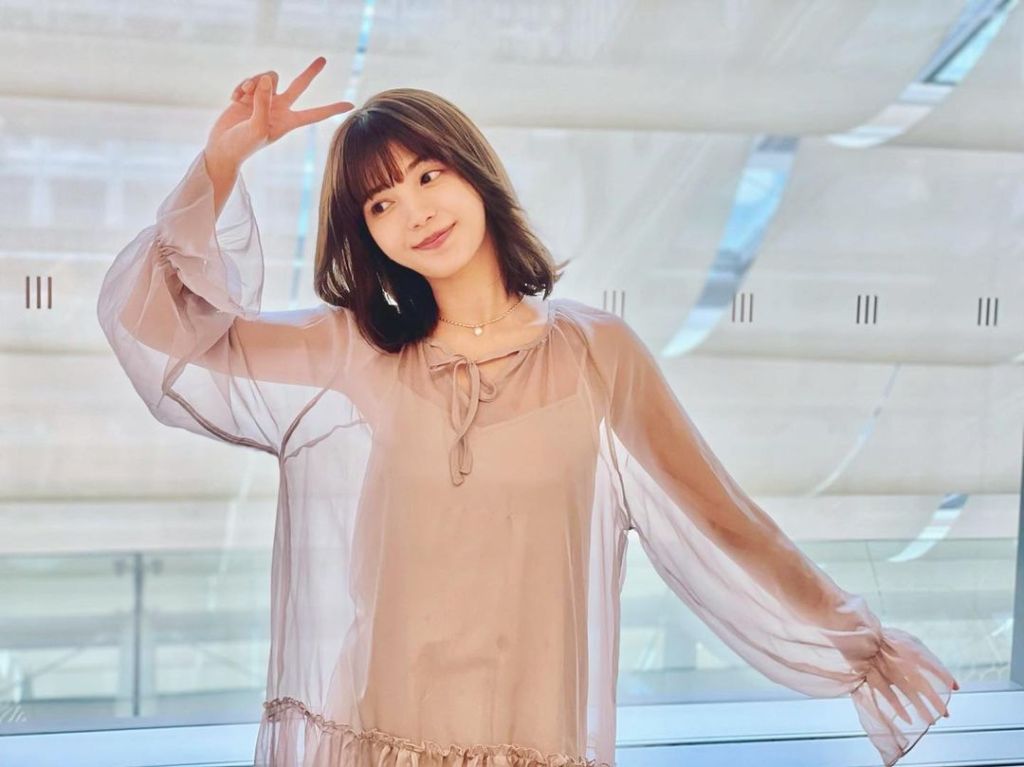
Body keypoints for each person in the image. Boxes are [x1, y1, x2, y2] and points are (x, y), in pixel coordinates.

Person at [96, 57, 959, 767]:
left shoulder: (597, 353)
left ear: (473, 173)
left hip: (531, 739)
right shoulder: (358, 346)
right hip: (377, 731)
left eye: (427, 175)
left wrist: (858, 645)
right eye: (380, 203)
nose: (414, 212)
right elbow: (159, 328)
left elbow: (722, 519)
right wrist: (222, 162)